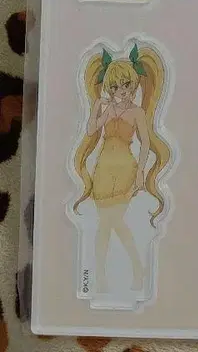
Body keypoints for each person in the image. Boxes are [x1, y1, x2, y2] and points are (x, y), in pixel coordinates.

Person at [73, 44, 170, 294]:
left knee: (110, 222)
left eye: (126, 85)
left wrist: (140, 172)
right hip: (103, 168)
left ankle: (116, 273)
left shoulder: (137, 112)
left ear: (134, 85)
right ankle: (117, 274)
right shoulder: (108, 109)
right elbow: (91, 130)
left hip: (126, 168)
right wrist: (97, 106)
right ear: (109, 88)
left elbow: (145, 143)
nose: (122, 91)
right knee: (109, 223)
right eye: (115, 87)